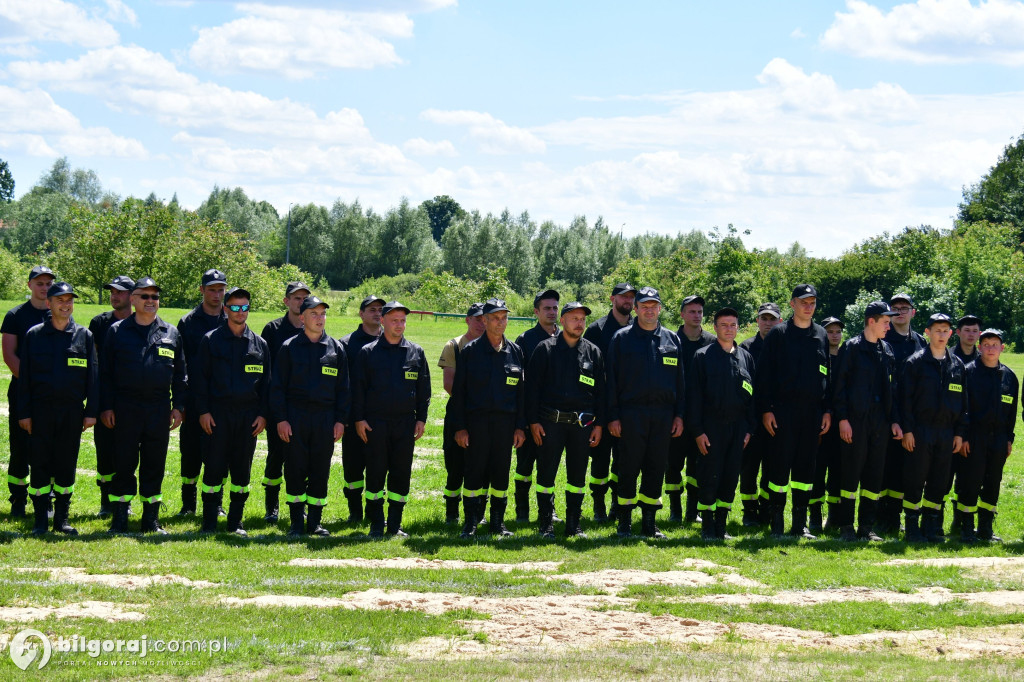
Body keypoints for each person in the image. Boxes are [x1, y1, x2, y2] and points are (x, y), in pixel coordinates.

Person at [100, 277, 187, 534]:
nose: (151, 301)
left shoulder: (171, 333)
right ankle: (120, 519)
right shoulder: (117, 331)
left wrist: (178, 406)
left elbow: (181, 374)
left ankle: (151, 520)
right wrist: (106, 406)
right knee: (123, 463)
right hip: (125, 408)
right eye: (145, 296)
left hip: (158, 409)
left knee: (154, 464)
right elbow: (105, 374)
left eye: (155, 297)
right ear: (133, 299)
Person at [16, 282, 98, 535]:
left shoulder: (84, 336)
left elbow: (93, 377)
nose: (65, 304)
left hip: (71, 411)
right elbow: (25, 379)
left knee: (66, 463)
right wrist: (24, 412)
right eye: (60, 300)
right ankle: (41, 520)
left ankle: (61, 519)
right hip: (40, 411)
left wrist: (91, 411)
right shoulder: (34, 335)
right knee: (39, 463)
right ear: (49, 304)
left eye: (69, 300)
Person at [606, 287, 685, 539]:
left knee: (655, 467)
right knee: (628, 467)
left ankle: (649, 522)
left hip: (663, 416)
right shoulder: (621, 339)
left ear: (659, 309)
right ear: (636, 309)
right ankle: (625, 522)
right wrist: (613, 416)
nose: (649, 310)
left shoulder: (672, 340)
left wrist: (679, 415)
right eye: (644, 306)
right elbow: (611, 382)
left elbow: (680, 383)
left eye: (654, 306)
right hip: (631, 414)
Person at [754, 283, 831, 539]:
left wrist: (827, 410)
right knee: (778, 468)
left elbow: (826, 376)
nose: (808, 308)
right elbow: (763, 376)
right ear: (792, 304)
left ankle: (800, 525)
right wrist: (766, 410)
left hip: (812, 415)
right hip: (783, 413)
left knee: (805, 471)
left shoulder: (820, 334)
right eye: (803, 302)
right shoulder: (778, 335)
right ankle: (776, 523)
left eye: (812, 303)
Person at [269, 295, 348, 537]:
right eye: (314, 314)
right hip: (296, 417)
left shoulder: (336, 349)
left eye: (323, 314)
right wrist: (281, 419)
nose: (319, 318)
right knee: (294, 468)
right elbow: (277, 387)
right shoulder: (289, 347)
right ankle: (295, 523)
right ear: (302, 318)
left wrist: (341, 421)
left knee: (319, 470)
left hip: (325, 418)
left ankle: (314, 522)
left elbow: (344, 389)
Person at [192, 287, 269, 536]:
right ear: (226, 310)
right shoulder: (211, 340)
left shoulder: (260, 345)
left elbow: (268, 385)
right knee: (213, 468)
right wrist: (203, 411)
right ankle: (209, 523)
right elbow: (199, 380)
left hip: (248, 418)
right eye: (235, 307)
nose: (240, 312)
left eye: (244, 307)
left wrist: (263, 414)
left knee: (241, 471)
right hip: (217, 414)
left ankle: (236, 522)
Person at [448, 298, 527, 538]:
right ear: (484, 320)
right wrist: (460, 427)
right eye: (494, 318)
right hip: (477, 423)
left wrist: (520, 427)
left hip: (505, 424)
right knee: (474, 471)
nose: (500, 322)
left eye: (504, 317)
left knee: (501, 472)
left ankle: (497, 523)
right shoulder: (471, 351)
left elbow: (522, 395)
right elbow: (458, 393)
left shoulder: (515, 351)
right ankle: (470, 523)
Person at [526, 301, 605, 538]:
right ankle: (545, 524)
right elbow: (532, 389)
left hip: (582, 426)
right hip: (550, 423)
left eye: (582, 319)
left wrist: (599, 424)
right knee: (546, 475)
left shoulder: (593, 352)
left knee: (577, 476)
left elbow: (602, 392)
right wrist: (533, 422)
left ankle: (573, 524)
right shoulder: (545, 349)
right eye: (574, 318)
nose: (579, 323)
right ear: (562, 321)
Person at [352, 301, 430, 538]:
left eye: (403, 320)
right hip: (376, 423)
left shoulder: (415, 352)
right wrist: (358, 419)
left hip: (405, 424)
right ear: (383, 321)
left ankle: (395, 524)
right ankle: (376, 523)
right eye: (394, 320)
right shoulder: (368, 353)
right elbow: (358, 389)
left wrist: (421, 419)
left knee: (400, 472)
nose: (399, 325)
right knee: (375, 472)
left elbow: (424, 389)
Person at [831, 302, 902, 542]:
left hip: (879, 423)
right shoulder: (851, 349)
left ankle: (866, 527)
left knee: (874, 475)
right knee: (850, 474)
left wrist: (894, 421)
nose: (888, 326)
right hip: (855, 421)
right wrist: (842, 419)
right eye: (885, 321)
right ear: (871, 321)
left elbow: (892, 388)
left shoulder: (887, 350)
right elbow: (838, 387)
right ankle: (846, 527)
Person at [687, 307, 755, 541]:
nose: (729, 329)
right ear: (714, 327)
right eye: (724, 325)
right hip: (711, 427)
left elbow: (752, 398)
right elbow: (694, 397)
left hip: (738, 429)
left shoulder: (745, 357)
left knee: (730, 477)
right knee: (709, 476)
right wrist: (697, 431)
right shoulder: (703, 356)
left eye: (733, 325)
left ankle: (720, 526)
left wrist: (749, 429)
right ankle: (707, 527)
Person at [899, 313, 968, 543]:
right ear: (927, 332)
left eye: (945, 330)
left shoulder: (957, 365)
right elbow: (905, 400)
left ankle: (930, 526)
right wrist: (908, 430)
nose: (941, 335)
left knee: (939, 481)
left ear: (951, 334)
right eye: (937, 330)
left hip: (946, 432)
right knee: (915, 478)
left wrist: (959, 433)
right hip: (920, 430)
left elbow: (963, 404)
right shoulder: (915, 363)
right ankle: (911, 527)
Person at [2, 265, 56, 518]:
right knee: (21, 445)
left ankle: (48, 497)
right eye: (39, 283)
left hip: (52, 394)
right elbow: (9, 355)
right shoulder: (15, 316)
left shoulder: (59, 314)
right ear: (29, 285)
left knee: (51, 445)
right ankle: (18, 498)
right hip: (23, 390)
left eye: (48, 284)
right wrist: (30, 382)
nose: (44, 288)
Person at [175, 268, 227, 517]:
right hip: (195, 399)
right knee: (191, 451)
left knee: (219, 453)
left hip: (221, 400)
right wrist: (181, 403)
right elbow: (180, 363)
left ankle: (216, 503)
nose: (217, 295)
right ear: (202, 290)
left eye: (221, 289)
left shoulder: (230, 321)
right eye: (212, 289)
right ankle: (188, 504)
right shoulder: (187, 322)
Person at [958, 329, 1017, 543]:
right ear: (980, 347)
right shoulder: (969, 372)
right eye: (986, 344)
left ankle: (985, 528)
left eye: (995, 344)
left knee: (993, 483)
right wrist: (963, 436)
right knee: (971, 482)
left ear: (1002, 348)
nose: (990, 348)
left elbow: (1012, 413)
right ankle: (965, 529)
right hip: (975, 437)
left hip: (999, 439)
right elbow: (962, 407)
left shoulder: (1009, 376)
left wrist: (1009, 439)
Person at [583, 282, 635, 522]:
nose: (628, 301)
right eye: (623, 297)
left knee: (624, 459)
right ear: (612, 299)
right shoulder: (596, 330)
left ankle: (616, 504)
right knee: (601, 458)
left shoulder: (640, 328)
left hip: (629, 406)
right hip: (602, 405)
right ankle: (598, 506)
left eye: (632, 297)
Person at [258, 281, 310, 522]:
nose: (300, 302)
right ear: (286, 301)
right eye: (296, 298)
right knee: (276, 456)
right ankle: (272, 507)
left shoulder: (312, 329)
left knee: (303, 458)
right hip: (279, 405)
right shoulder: (273, 330)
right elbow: (265, 369)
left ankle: (302, 504)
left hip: (305, 407)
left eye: (303, 298)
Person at [878, 293, 927, 535]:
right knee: (884, 467)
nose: (900, 311)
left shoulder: (920, 343)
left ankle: (897, 518)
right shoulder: (883, 338)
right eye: (895, 308)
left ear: (913, 312)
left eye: (904, 307)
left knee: (905, 468)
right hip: (886, 413)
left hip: (913, 417)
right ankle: (882, 518)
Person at [512, 289, 560, 523]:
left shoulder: (565, 338)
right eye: (547, 308)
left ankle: (549, 511)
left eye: (555, 308)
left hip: (555, 417)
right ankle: (522, 510)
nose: (552, 312)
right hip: (530, 412)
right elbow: (520, 385)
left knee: (548, 467)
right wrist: (524, 421)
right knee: (524, 465)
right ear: (536, 311)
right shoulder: (525, 340)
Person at [667, 295, 716, 523]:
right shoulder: (670, 341)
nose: (696, 316)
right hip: (675, 414)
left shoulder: (712, 343)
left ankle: (692, 511)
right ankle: (675, 509)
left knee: (698, 464)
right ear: (682, 314)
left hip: (703, 417)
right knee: (673, 464)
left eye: (699, 312)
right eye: (692, 311)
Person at [89, 275, 134, 517]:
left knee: (128, 451)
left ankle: (125, 500)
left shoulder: (142, 322)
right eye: (112, 292)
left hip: (133, 400)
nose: (115, 295)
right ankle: (106, 500)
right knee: (104, 450)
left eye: (120, 292)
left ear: (132, 295)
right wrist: (101, 403)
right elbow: (94, 364)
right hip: (106, 396)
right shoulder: (99, 323)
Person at [338, 295, 385, 523]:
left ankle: (375, 512)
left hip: (383, 418)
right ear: (361, 314)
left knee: (379, 467)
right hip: (353, 417)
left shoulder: (393, 340)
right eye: (372, 309)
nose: (377, 313)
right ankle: (355, 512)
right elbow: (343, 385)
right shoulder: (347, 344)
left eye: (380, 309)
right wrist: (350, 417)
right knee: (353, 468)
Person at [438, 302, 486, 524]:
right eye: (477, 318)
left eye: (485, 318)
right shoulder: (455, 346)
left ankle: (478, 514)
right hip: (460, 412)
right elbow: (450, 384)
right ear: (467, 320)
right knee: (455, 465)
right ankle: (452, 514)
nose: (481, 323)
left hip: (486, 416)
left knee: (482, 466)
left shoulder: (495, 345)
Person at [738, 302, 781, 526]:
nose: (768, 322)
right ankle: (748, 511)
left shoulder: (785, 347)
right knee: (748, 469)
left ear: (780, 321)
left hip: (776, 420)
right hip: (752, 419)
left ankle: (765, 509)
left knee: (772, 468)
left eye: (772, 319)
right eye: (764, 318)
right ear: (757, 321)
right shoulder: (745, 348)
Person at [943, 313, 982, 534]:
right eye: (966, 330)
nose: (971, 335)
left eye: (975, 331)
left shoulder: (983, 359)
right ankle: (934, 522)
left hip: (974, 432)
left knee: (968, 480)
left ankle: (961, 521)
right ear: (957, 333)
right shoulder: (948, 358)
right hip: (949, 429)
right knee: (943, 477)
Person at [810, 315, 845, 533]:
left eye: (838, 331)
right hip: (819, 422)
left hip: (841, 423)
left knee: (838, 472)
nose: (834, 335)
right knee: (816, 471)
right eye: (830, 331)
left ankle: (834, 516)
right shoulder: (817, 357)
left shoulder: (846, 357)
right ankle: (814, 516)